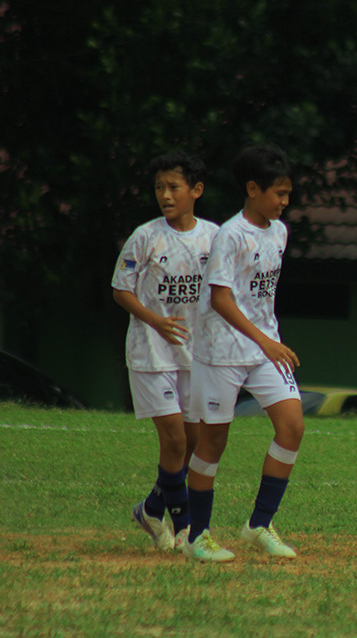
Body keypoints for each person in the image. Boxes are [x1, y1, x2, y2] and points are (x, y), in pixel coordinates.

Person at [184, 143, 304, 563]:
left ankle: (259, 525)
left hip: (261, 348)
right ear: (252, 189)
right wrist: (265, 340)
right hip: (221, 352)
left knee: (292, 425)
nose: (285, 202)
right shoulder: (230, 235)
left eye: (288, 194)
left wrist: (267, 341)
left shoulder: (280, 231)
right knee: (213, 441)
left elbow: (259, 296)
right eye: (279, 193)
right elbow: (220, 299)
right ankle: (197, 535)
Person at [113, 152, 219, 552]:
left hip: (194, 354)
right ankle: (187, 528)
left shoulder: (214, 236)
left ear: (196, 191)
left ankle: (151, 508)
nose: (165, 195)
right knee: (174, 440)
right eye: (159, 187)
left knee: (191, 442)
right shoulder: (145, 236)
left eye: (174, 187)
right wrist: (155, 320)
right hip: (151, 352)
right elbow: (120, 290)